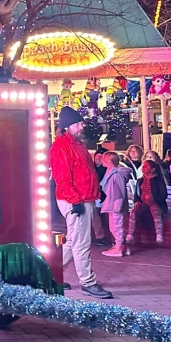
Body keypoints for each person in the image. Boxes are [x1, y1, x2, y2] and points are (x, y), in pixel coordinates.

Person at [49, 106, 113, 299]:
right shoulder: (62, 147)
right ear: (67, 127)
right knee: (81, 242)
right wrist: (75, 200)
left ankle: (52, 276)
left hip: (82, 197)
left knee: (74, 241)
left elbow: (86, 172)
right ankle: (88, 282)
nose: (81, 126)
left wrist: (97, 191)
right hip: (75, 199)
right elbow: (63, 178)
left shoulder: (76, 144)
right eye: (77, 123)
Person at [100, 152, 132, 257]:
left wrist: (117, 205)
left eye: (103, 159)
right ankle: (122, 247)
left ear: (109, 161)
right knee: (115, 226)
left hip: (115, 205)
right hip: (112, 204)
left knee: (116, 227)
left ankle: (118, 248)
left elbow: (119, 191)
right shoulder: (111, 172)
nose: (101, 160)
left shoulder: (116, 174)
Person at [137, 159, 169, 244]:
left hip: (156, 203)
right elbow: (136, 193)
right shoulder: (140, 180)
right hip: (144, 203)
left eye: (145, 166)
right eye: (142, 166)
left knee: (155, 211)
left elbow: (163, 194)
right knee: (134, 211)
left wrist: (154, 199)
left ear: (153, 169)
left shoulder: (158, 180)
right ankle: (131, 235)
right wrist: (136, 200)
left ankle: (159, 234)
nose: (143, 168)